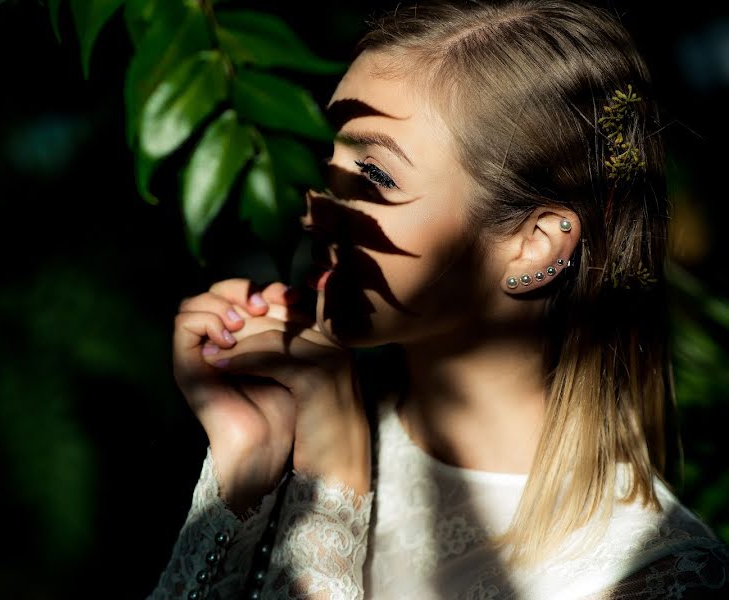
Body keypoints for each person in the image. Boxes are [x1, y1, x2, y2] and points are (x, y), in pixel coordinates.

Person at [147, 1, 729, 598]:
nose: (312, 211)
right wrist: (246, 465)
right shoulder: (289, 433)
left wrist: (332, 473)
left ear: (533, 245)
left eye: (374, 177)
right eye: (326, 165)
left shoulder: (646, 570)